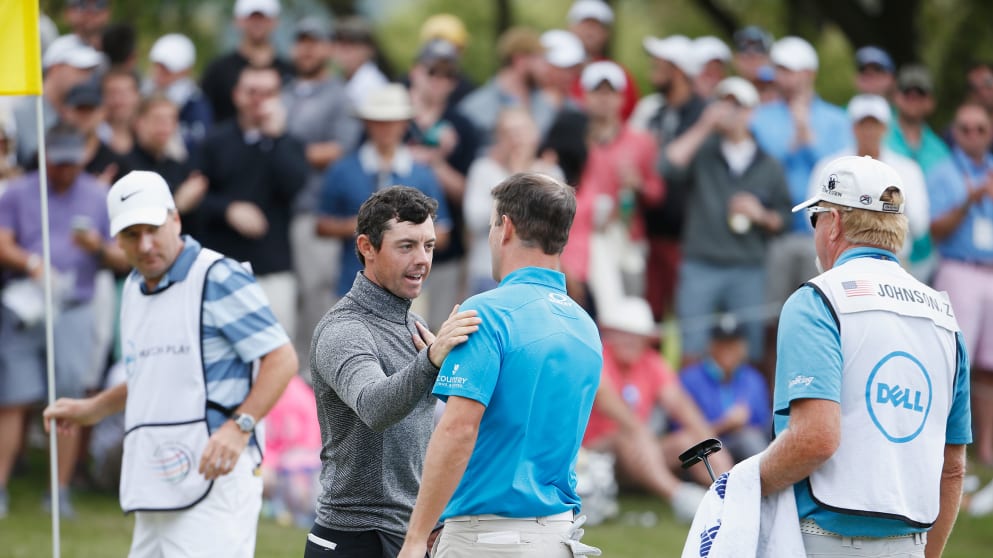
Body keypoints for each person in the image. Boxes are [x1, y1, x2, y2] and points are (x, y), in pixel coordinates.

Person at [43, 170, 298, 556]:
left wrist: (239, 427)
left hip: (218, 473)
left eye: (153, 228)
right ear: (117, 238)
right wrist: (91, 409)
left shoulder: (218, 275)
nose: (145, 245)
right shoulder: (132, 288)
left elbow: (281, 358)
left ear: (175, 218)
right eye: (131, 234)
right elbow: (150, 374)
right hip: (155, 475)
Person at [760, 155, 971, 557]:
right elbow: (953, 467)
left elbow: (815, 439)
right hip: (911, 543)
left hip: (818, 539)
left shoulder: (817, 299)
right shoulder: (944, 316)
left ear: (835, 223)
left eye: (816, 218)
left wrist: (746, 484)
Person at [398, 173, 603, 558]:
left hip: (487, 540)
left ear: (505, 227)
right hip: (557, 537)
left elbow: (458, 430)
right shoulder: (584, 325)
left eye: (493, 223)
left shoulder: (486, 312)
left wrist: (415, 536)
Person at [307, 186, 480, 557]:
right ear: (367, 247)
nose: (422, 260)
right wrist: (431, 360)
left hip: (404, 535)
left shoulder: (413, 325)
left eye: (429, 246)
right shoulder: (344, 329)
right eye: (406, 246)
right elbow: (374, 407)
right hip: (353, 538)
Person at [0, 127, 128, 519]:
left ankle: (59, 492)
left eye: (72, 161)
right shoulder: (19, 190)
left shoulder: (96, 194)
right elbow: (3, 242)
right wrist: (31, 263)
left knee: (70, 398)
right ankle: (1, 488)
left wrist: (99, 248)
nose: (65, 170)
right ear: (45, 157)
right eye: (59, 161)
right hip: (26, 303)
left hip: (75, 307)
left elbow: (123, 258)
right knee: (12, 399)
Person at [663, 77, 791, 364]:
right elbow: (668, 165)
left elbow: (785, 218)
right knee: (692, 346)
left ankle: (751, 409)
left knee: (751, 350)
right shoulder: (702, 151)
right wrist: (704, 125)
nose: (729, 110)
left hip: (748, 267)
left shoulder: (769, 165)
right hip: (700, 263)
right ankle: (690, 409)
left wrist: (761, 215)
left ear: (751, 112)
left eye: (737, 104)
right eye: (724, 102)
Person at [582, 296, 727, 523]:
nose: (630, 341)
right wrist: (641, 433)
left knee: (688, 439)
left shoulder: (651, 362)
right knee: (628, 436)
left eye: (636, 335)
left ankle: (726, 490)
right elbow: (606, 398)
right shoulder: (597, 355)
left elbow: (680, 406)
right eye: (624, 333)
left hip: (640, 452)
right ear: (610, 333)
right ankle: (680, 497)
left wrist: (711, 440)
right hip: (593, 454)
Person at [197, 65, 308, 346]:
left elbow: (296, 185)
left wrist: (277, 138)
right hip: (223, 267)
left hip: (274, 268)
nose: (259, 100)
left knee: (279, 352)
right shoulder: (214, 142)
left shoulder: (288, 143)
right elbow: (194, 201)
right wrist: (228, 209)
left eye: (268, 93)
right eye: (251, 92)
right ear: (236, 95)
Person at [317, 84, 451, 303]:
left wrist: (401, 234)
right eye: (379, 122)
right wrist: (368, 227)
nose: (386, 129)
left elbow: (443, 232)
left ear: (404, 124)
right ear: (367, 124)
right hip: (352, 287)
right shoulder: (342, 169)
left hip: (409, 290)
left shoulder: (422, 174)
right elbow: (321, 224)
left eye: (392, 122)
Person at [751, 36, 852, 315]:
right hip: (773, 234)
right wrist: (791, 145)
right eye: (779, 70)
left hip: (822, 235)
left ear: (809, 74)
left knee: (821, 314)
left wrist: (808, 138)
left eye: (788, 70)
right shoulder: (760, 116)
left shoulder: (836, 119)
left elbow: (840, 173)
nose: (781, 78)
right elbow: (759, 169)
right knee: (771, 318)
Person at [282, 16, 361, 366]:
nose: (307, 47)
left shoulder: (340, 95)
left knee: (316, 299)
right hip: (277, 210)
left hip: (316, 213)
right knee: (285, 300)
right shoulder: (282, 90)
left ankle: (314, 380)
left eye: (315, 40)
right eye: (301, 40)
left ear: (329, 47)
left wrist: (287, 152)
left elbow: (340, 150)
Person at [932, 103, 993, 466]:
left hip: (991, 271)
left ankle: (985, 448)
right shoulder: (943, 172)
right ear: (955, 132)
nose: (972, 135)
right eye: (964, 129)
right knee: (955, 361)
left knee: (989, 365)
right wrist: (967, 201)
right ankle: (947, 444)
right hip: (958, 267)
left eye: (979, 129)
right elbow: (935, 230)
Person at [678, 314, 772, 462]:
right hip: (705, 451)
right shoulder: (690, 379)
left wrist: (742, 423)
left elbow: (764, 424)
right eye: (722, 344)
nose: (727, 350)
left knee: (750, 438)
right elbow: (679, 432)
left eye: (733, 344)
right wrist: (723, 425)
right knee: (747, 440)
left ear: (743, 347)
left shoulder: (754, 379)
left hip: (749, 449)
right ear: (711, 346)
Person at [200, 0, 293, 124]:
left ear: (275, 22)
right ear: (238, 21)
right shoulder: (218, 70)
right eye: (251, 18)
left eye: (263, 18)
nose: (257, 23)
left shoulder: (290, 70)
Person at [146, 33, 214, 158]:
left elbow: (197, 144)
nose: (160, 72)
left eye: (167, 68)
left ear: (186, 70)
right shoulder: (145, 94)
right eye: (158, 66)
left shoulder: (196, 104)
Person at [331, 16, 390, 109]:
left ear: (368, 49)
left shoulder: (372, 84)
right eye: (339, 43)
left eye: (351, 44)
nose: (342, 51)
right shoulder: (341, 80)